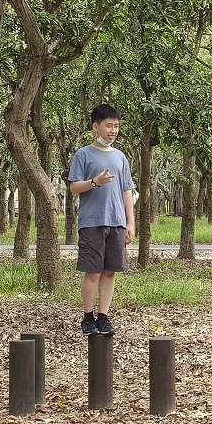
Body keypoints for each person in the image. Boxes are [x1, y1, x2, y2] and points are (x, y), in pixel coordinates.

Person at [66, 104, 136, 336]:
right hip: (92, 222)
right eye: (109, 125)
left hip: (116, 221)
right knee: (93, 272)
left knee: (109, 271)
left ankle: (103, 316)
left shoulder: (120, 157)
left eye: (116, 126)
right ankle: (87, 317)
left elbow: (127, 190)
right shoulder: (83, 154)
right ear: (96, 126)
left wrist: (130, 222)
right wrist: (94, 182)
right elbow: (75, 187)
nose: (113, 130)